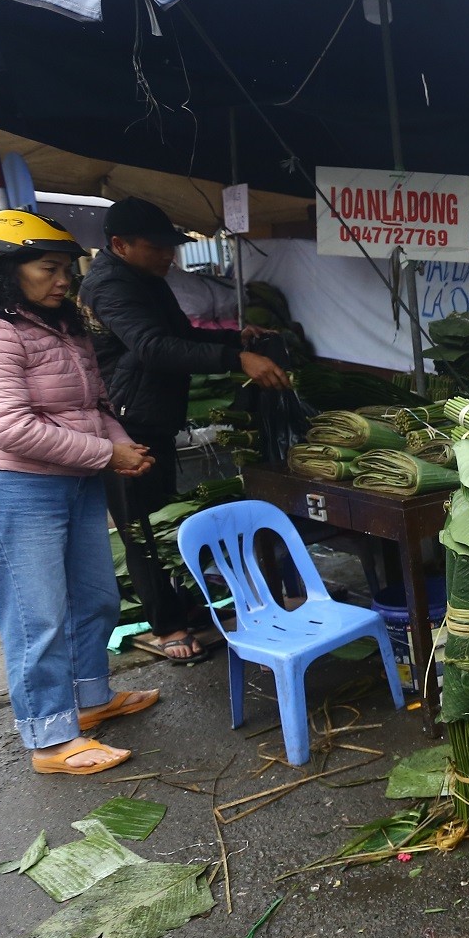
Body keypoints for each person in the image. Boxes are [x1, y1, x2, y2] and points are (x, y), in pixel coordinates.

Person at [0, 210, 161, 775]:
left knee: (97, 599)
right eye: (49, 268)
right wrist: (105, 454)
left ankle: (90, 702)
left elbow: (94, 405)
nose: (64, 280)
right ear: (4, 269)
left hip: (77, 479)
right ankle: (49, 739)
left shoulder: (61, 325)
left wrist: (120, 444)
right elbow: (7, 427)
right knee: (37, 616)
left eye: (67, 269)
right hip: (15, 486)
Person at [79, 198, 289, 663]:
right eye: (156, 248)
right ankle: (167, 624)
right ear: (120, 245)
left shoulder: (145, 279)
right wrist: (236, 360)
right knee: (141, 527)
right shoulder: (110, 286)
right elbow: (154, 348)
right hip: (124, 424)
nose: (168, 257)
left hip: (153, 414)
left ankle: (180, 604)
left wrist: (235, 338)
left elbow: (180, 333)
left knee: (162, 515)